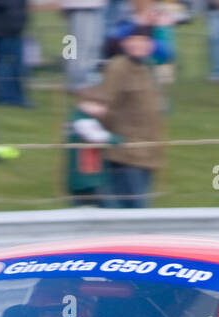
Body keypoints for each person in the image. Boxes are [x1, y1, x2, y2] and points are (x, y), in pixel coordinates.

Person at [82, 24, 163, 207]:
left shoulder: (148, 68)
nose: (138, 44)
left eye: (144, 41)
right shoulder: (118, 67)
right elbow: (102, 100)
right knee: (134, 212)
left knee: (138, 210)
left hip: (148, 154)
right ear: (125, 43)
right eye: (133, 40)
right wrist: (93, 109)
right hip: (126, 155)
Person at [0, 0, 28, 105]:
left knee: (15, 65)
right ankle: (6, 97)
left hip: (14, 24)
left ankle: (16, 96)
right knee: (4, 63)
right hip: (2, 25)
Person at [59, 0, 107, 91]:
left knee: (92, 44)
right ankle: (77, 82)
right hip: (81, 5)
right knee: (80, 45)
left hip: (94, 5)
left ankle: (85, 79)